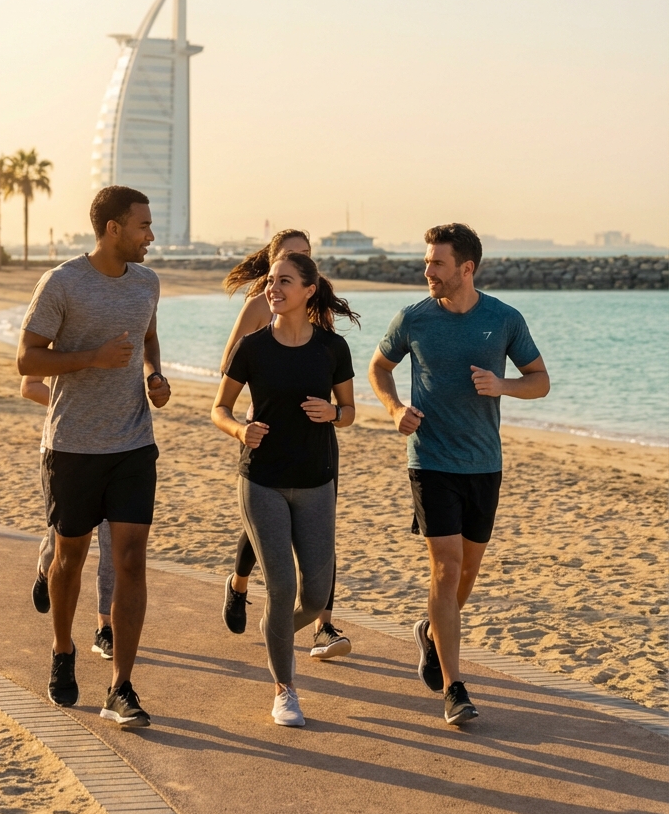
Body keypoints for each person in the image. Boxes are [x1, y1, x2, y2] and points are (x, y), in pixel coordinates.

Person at [368, 223, 549, 726]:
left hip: (484, 463)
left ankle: (429, 631)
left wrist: (502, 385)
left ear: (466, 268)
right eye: (427, 262)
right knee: (445, 568)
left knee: (467, 572)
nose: (428, 271)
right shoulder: (414, 317)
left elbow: (541, 382)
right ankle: (454, 687)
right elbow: (378, 368)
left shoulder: (503, 319)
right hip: (429, 460)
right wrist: (393, 409)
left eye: (437, 264)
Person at [16, 185, 171, 727]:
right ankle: (63, 648)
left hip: (132, 443)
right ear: (113, 229)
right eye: (143, 226)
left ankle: (121, 687)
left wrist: (153, 373)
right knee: (69, 560)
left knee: (130, 560)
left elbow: (149, 337)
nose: (151, 235)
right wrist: (94, 359)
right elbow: (26, 359)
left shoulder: (147, 282)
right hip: (72, 445)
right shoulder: (62, 283)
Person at [212, 251, 357, 726]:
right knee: (281, 586)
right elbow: (220, 408)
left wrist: (332, 414)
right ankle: (285, 689)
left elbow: (350, 411)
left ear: (309, 290)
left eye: (285, 281)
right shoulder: (252, 348)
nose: (274, 289)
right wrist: (240, 431)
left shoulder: (332, 349)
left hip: (317, 482)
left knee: (314, 598)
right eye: (271, 281)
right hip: (262, 481)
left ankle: (275, 628)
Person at [22, 373, 116, 660]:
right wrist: (80, 406)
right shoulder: (61, 329)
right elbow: (29, 386)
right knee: (62, 543)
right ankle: (44, 567)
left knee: (113, 544)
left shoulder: (126, 329)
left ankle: (105, 628)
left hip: (117, 450)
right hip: (66, 446)